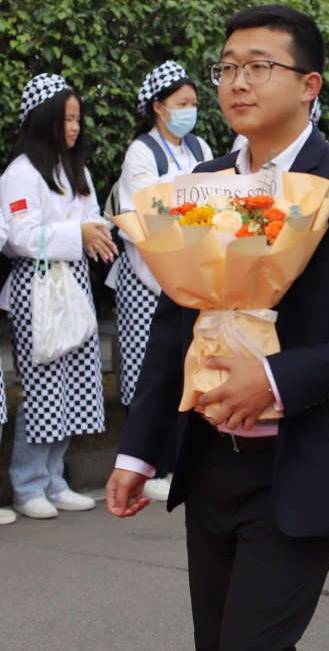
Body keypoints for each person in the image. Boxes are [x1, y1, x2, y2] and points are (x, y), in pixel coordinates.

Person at [104, 4, 329, 651]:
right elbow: (176, 322)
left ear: (310, 85)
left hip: (302, 462)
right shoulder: (203, 182)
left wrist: (275, 380)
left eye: (258, 67)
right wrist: (140, 450)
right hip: (209, 461)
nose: (236, 83)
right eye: (226, 68)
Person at [0, 74, 116, 520]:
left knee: (76, 384)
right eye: (67, 118)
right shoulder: (20, 174)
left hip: (73, 286)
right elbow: (22, 237)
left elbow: (89, 219)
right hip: (37, 289)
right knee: (44, 388)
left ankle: (54, 479)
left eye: (78, 118)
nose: (75, 127)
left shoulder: (75, 170)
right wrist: (80, 233)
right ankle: (27, 485)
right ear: (44, 118)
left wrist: (99, 231)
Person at [108, 60, 214, 502]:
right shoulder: (141, 152)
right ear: (158, 107)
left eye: (192, 102)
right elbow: (149, 212)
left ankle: (178, 461)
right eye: (181, 103)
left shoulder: (200, 145)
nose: (189, 110)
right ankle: (152, 462)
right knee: (147, 370)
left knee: (189, 365)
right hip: (147, 276)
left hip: (194, 272)